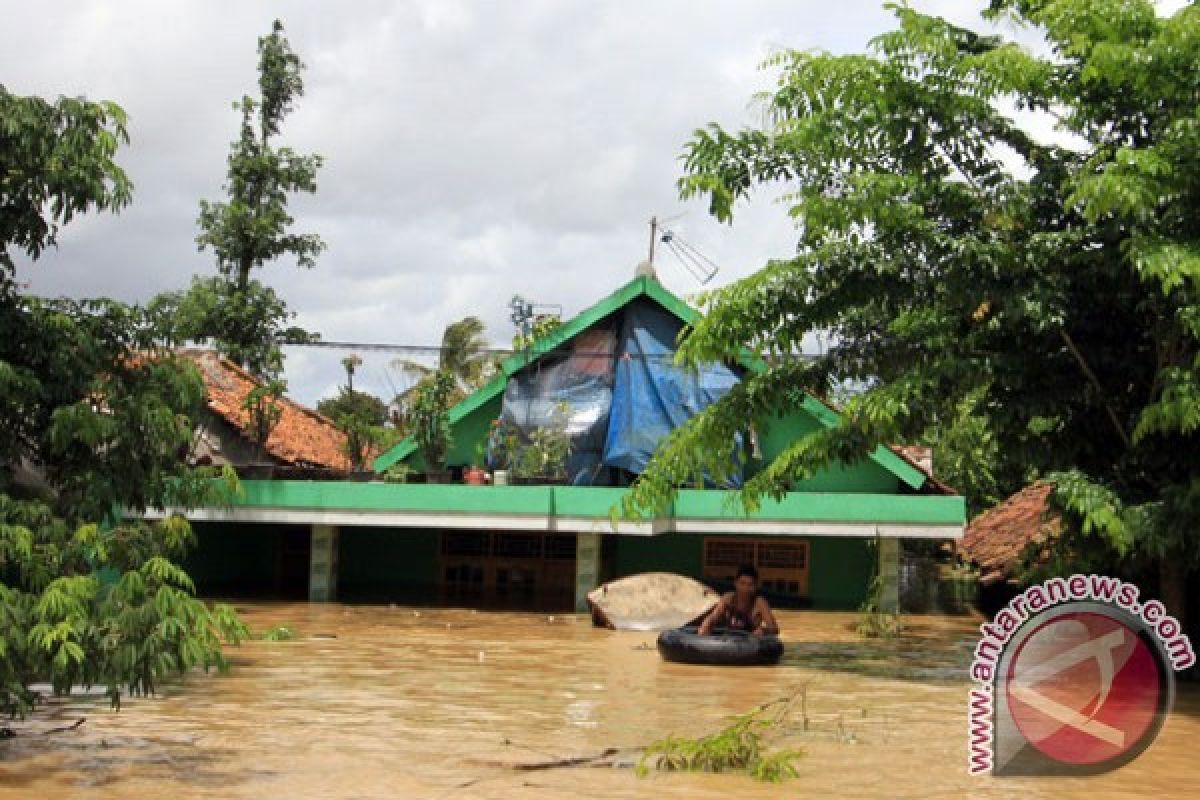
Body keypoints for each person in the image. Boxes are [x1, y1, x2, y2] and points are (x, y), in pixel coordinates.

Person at [697, 563, 780, 637]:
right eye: (742, 583)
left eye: (750, 585)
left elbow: (774, 628)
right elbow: (714, 616)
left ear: (756, 586)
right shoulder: (728, 599)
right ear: (736, 583)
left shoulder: (759, 603)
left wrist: (763, 630)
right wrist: (706, 625)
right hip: (729, 640)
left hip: (750, 643)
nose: (746, 589)